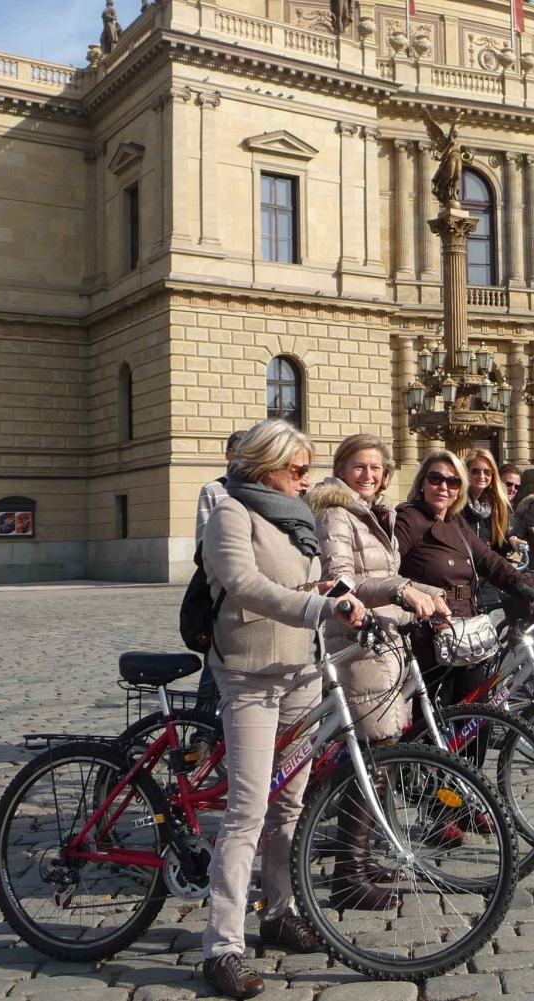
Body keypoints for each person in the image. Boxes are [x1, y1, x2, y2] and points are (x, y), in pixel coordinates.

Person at [198, 419, 366, 998]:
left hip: (301, 668)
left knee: (289, 801)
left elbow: (317, 584)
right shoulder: (230, 511)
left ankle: (279, 911)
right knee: (246, 809)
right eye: (297, 469)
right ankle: (222, 947)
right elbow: (243, 584)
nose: (306, 478)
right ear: (266, 465)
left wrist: (354, 600)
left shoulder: (296, 519)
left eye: (307, 469)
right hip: (248, 672)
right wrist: (315, 609)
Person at [306, 434, 450, 915]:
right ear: (342, 468)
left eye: (376, 468)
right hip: (355, 643)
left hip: (383, 641)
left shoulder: (377, 513)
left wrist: (431, 592)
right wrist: (404, 589)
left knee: (379, 756)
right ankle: (349, 873)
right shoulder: (334, 512)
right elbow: (341, 578)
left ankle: (360, 858)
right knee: (368, 757)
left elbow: (387, 575)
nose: (368, 475)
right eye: (359, 466)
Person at [395, 451, 534, 708]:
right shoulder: (409, 518)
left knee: (477, 716)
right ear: (422, 482)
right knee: (431, 721)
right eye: (435, 478)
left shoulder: (455, 522)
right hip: (429, 633)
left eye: (453, 482)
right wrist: (416, 594)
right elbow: (389, 569)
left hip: (465, 630)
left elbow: (488, 560)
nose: (444, 487)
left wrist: (526, 587)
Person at [194, 429, 247, 707]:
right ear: (227, 454)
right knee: (214, 666)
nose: (243, 456)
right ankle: (201, 733)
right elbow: (202, 546)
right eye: (238, 450)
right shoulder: (214, 490)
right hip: (222, 592)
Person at [461, 449, 514, 613]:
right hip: (461, 584)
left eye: (487, 472)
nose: (481, 476)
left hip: (486, 586)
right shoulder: (456, 503)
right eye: (475, 471)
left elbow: (500, 545)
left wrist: (512, 541)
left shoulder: (497, 505)